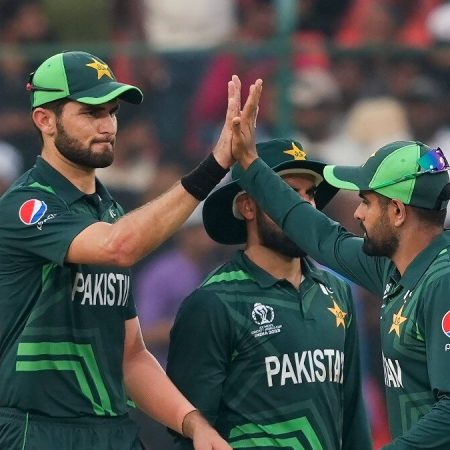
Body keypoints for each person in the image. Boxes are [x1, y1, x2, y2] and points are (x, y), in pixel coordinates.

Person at [0, 51, 260, 450]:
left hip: (113, 431)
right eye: (91, 112)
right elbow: (119, 247)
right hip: (40, 431)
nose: (108, 126)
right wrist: (216, 163)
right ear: (45, 119)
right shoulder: (26, 205)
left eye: (112, 112)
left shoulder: (110, 211)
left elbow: (132, 357)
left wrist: (195, 425)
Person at [230, 83, 450, 449]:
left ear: (397, 212)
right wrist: (251, 165)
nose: (357, 213)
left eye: (366, 201)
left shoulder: (443, 281)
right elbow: (320, 235)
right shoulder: (395, 267)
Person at [166, 138, 373, 450]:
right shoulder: (214, 301)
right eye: (289, 193)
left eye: (310, 194)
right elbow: (187, 430)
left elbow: (354, 415)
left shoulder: (337, 291)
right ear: (248, 206)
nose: (304, 206)